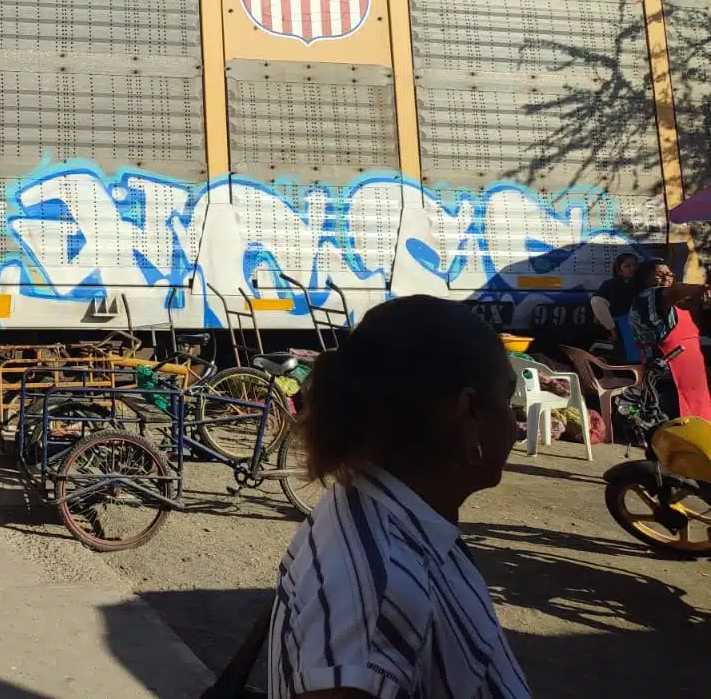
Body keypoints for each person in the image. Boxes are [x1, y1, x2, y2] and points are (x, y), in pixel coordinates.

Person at [269, 296, 529, 699]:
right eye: (508, 404)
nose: (516, 426)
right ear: (469, 412)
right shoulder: (384, 588)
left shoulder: (382, 510)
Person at [627, 258, 711, 422]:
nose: (666, 278)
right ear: (645, 278)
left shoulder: (675, 304)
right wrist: (702, 288)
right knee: (676, 428)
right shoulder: (648, 296)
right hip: (666, 378)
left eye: (670, 274)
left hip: (691, 376)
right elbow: (673, 291)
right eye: (659, 274)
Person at [589, 251, 640, 362]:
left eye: (635, 265)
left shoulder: (641, 284)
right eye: (627, 266)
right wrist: (612, 330)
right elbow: (597, 302)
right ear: (619, 268)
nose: (632, 269)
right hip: (619, 327)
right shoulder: (610, 284)